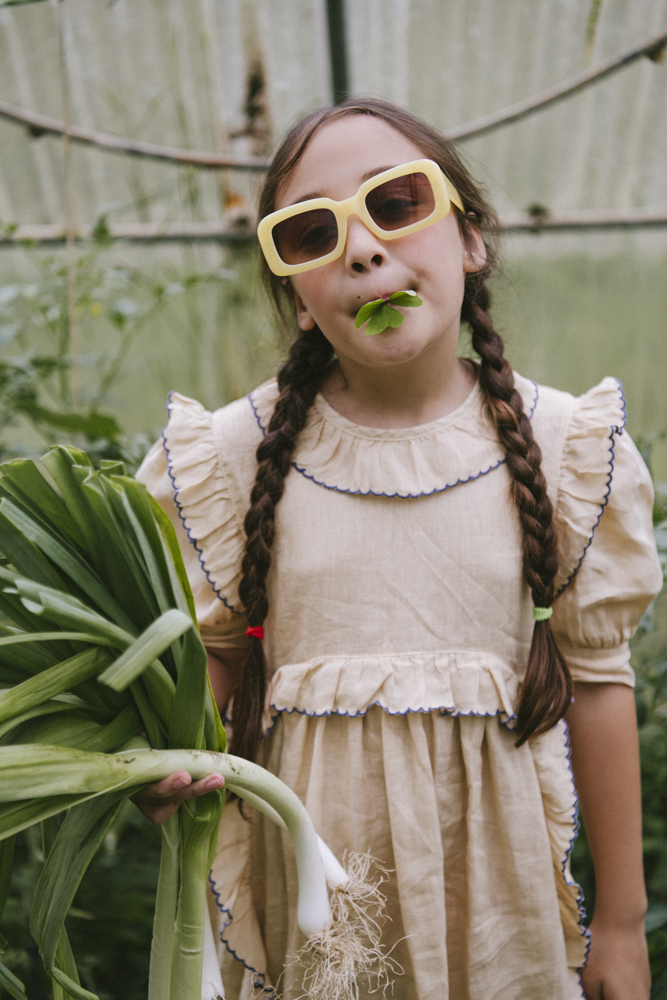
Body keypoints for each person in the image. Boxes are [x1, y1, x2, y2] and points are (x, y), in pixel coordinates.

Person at [134, 98, 662, 1000]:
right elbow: (213, 667)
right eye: (311, 233)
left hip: (499, 908)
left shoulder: (564, 446)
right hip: (318, 911)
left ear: (470, 241)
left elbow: (599, 683)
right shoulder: (226, 459)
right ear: (297, 299)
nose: (362, 248)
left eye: (395, 202)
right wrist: (165, 759)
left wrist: (617, 924)